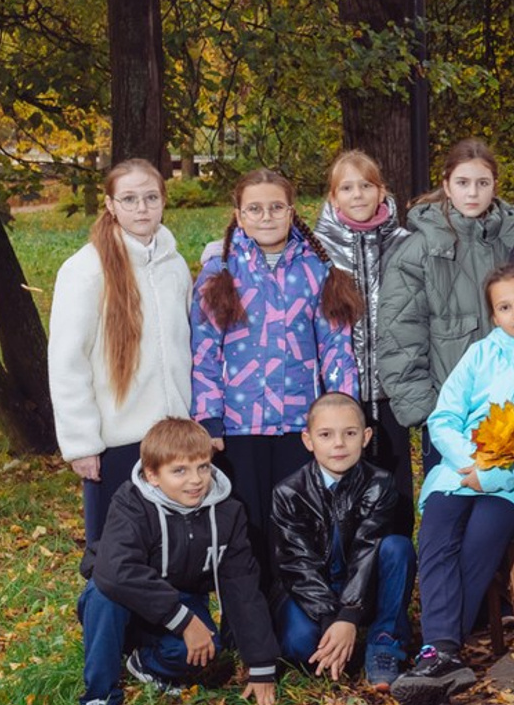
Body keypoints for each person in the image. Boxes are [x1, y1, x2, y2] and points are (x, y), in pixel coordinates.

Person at [80, 410, 280, 705]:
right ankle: (99, 699)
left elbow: (242, 585)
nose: (196, 480)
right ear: (153, 475)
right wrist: (185, 621)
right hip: (124, 604)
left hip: (180, 601)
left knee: (209, 651)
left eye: (203, 466)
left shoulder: (228, 512)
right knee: (103, 592)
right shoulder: (131, 502)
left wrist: (261, 664)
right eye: (180, 471)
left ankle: (146, 662)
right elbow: (116, 571)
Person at [190, 164, 364, 531]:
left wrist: (343, 413)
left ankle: (294, 590)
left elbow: (336, 349)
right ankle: (249, 591)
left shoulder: (317, 271)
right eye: (255, 209)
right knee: (246, 523)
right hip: (239, 425)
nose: (266, 216)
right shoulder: (219, 273)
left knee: (296, 524)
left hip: (299, 424)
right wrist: (209, 419)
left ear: (291, 212)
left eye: (276, 207)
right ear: (239, 215)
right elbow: (204, 354)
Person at [50, 157, 195, 564]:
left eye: (150, 197)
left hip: (172, 440)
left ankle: (171, 628)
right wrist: (82, 443)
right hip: (117, 441)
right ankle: (110, 629)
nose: (142, 208)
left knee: (170, 553)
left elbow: (186, 347)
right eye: (129, 199)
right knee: (116, 559)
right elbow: (67, 361)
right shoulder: (85, 269)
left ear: (164, 201)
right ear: (111, 205)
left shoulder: (175, 266)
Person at [399, 256, 514, 705]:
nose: (513, 315)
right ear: (493, 314)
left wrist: (492, 475)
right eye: (505, 307)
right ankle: (444, 655)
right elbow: (444, 417)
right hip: (457, 471)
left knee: (478, 546)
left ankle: (437, 654)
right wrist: (469, 463)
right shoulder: (481, 354)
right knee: (437, 538)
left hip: (505, 485)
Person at [374, 135, 514, 477]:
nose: (472, 193)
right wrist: (430, 414)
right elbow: (399, 339)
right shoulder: (418, 252)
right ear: (446, 186)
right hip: (451, 417)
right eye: (463, 182)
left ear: (495, 186)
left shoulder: (510, 243)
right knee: (453, 511)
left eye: (482, 183)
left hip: (509, 414)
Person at [265, 388, 413, 693]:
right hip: (310, 592)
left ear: (366, 436)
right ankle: (337, 642)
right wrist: (333, 620)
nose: (338, 444)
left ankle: (384, 644)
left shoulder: (381, 484)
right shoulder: (288, 492)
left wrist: (349, 614)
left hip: (361, 585)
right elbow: (297, 566)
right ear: (308, 440)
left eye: (349, 433)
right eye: (326, 435)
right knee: (299, 646)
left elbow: (367, 548)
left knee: (397, 547)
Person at [315, 147, 415, 481]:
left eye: (366, 186)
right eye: (347, 188)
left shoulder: (404, 244)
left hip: (392, 385)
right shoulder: (316, 248)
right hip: (340, 387)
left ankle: (395, 535)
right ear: (334, 197)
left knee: (393, 479)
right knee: (345, 481)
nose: (357, 194)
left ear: (381, 191)